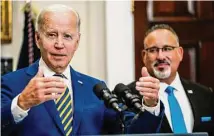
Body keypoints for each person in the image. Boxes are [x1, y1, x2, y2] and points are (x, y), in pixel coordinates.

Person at [1, 4, 165, 136]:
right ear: (37, 39)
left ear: (77, 42)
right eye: (51, 35)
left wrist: (150, 105)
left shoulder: (96, 88)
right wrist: (21, 103)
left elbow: (133, 132)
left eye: (67, 36)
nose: (59, 44)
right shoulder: (11, 83)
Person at [128, 24, 214, 135]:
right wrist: (150, 106)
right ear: (144, 56)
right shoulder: (127, 96)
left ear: (180, 53)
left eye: (167, 49)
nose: (161, 56)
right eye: (153, 50)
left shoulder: (205, 95)